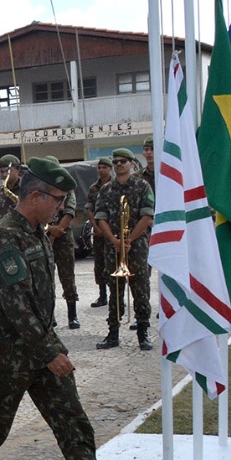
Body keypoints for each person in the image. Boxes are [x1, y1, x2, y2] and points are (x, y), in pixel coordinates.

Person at [0, 156, 156, 460]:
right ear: (35, 196)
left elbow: (37, 306)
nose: (63, 207)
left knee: (72, 421)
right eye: (58, 199)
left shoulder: (36, 232)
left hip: (42, 345)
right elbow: (16, 307)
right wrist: (50, 353)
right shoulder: (6, 237)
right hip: (8, 353)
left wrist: (49, 349)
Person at [94, 148, 155, 351]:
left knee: (140, 289)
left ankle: (143, 332)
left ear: (131, 164)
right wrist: (114, 240)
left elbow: (147, 217)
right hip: (113, 247)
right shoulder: (106, 190)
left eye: (123, 161)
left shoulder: (142, 186)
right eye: (116, 161)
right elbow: (100, 217)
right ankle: (113, 333)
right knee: (115, 292)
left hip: (136, 247)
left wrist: (129, 239)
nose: (119, 164)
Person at [46, 176, 81, 330]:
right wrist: (48, 229)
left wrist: (54, 234)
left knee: (67, 277)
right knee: (46, 278)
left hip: (63, 238)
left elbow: (69, 213)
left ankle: (72, 315)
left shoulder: (68, 189)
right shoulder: (41, 189)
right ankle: (50, 315)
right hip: (44, 237)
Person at [86, 157, 114, 308]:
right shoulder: (93, 188)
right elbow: (89, 208)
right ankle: (102, 295)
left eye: (104, 167)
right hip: (98, 233)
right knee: (99, 264)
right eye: (99, 167)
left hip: (112, 231)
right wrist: (95, 227)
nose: (101, 170)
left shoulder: (116, 185)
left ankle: (116, 295)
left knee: (113, 264)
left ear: (110, 169)